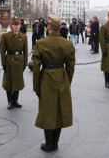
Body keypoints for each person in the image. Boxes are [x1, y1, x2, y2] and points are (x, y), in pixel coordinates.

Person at [33, 15, 75, 152]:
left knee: (48, 111)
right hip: (62, 77)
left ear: (49, 28)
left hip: (46, 78)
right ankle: (55, 142)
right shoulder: (68, 44)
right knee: (60, 111)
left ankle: (49, 143)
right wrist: (67, 81)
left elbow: (36, 69)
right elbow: (71, 67)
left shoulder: (41, 44)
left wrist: (37, 87)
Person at [0, 18, 28, 110]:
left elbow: (26, 51)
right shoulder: (5, 36)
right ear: (11, 26)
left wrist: (25, 63)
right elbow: (2, 51)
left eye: (18, 25)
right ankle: (9, 101)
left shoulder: (24, 36)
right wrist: (3, 63)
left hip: (19, 60)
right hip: (9, 60)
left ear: (20, 26)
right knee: (8, 81)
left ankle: (15, 100)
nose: (16, 27)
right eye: (14, 25)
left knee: (18, 81)